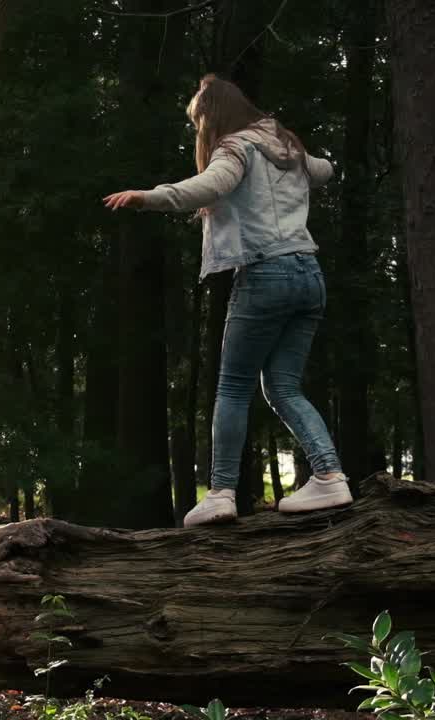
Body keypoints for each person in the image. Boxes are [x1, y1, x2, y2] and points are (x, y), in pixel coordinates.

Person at [103, 73, 352, 528]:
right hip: (308, 275)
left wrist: (148, 197)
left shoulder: (235, 147)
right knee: (284, 387)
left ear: (212, 117)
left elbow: (211, 186)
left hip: (266, 273)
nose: (198, 129)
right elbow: (325, 170)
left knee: (234, 387)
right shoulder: (286, 147)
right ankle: (330, 476)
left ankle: (220, 493)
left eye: (198, 121)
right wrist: (303, 157)